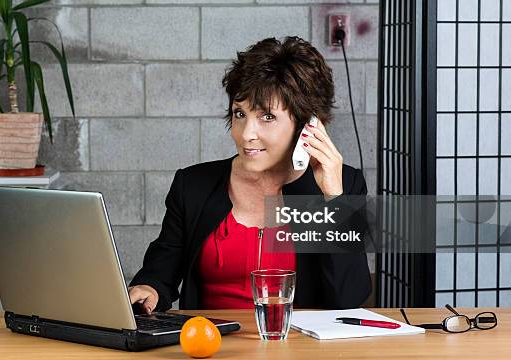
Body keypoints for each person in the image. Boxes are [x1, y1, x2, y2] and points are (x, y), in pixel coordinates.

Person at [128, 36, 371, 314]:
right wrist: (149, 287)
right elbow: (160, 272)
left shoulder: (343, 184)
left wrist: (333, 200)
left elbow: (348, 298)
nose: (246, 134)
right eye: (240, 114)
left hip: (300, 347)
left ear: (307, 123)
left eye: (267, 117)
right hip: (209, 346)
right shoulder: (193, 185)